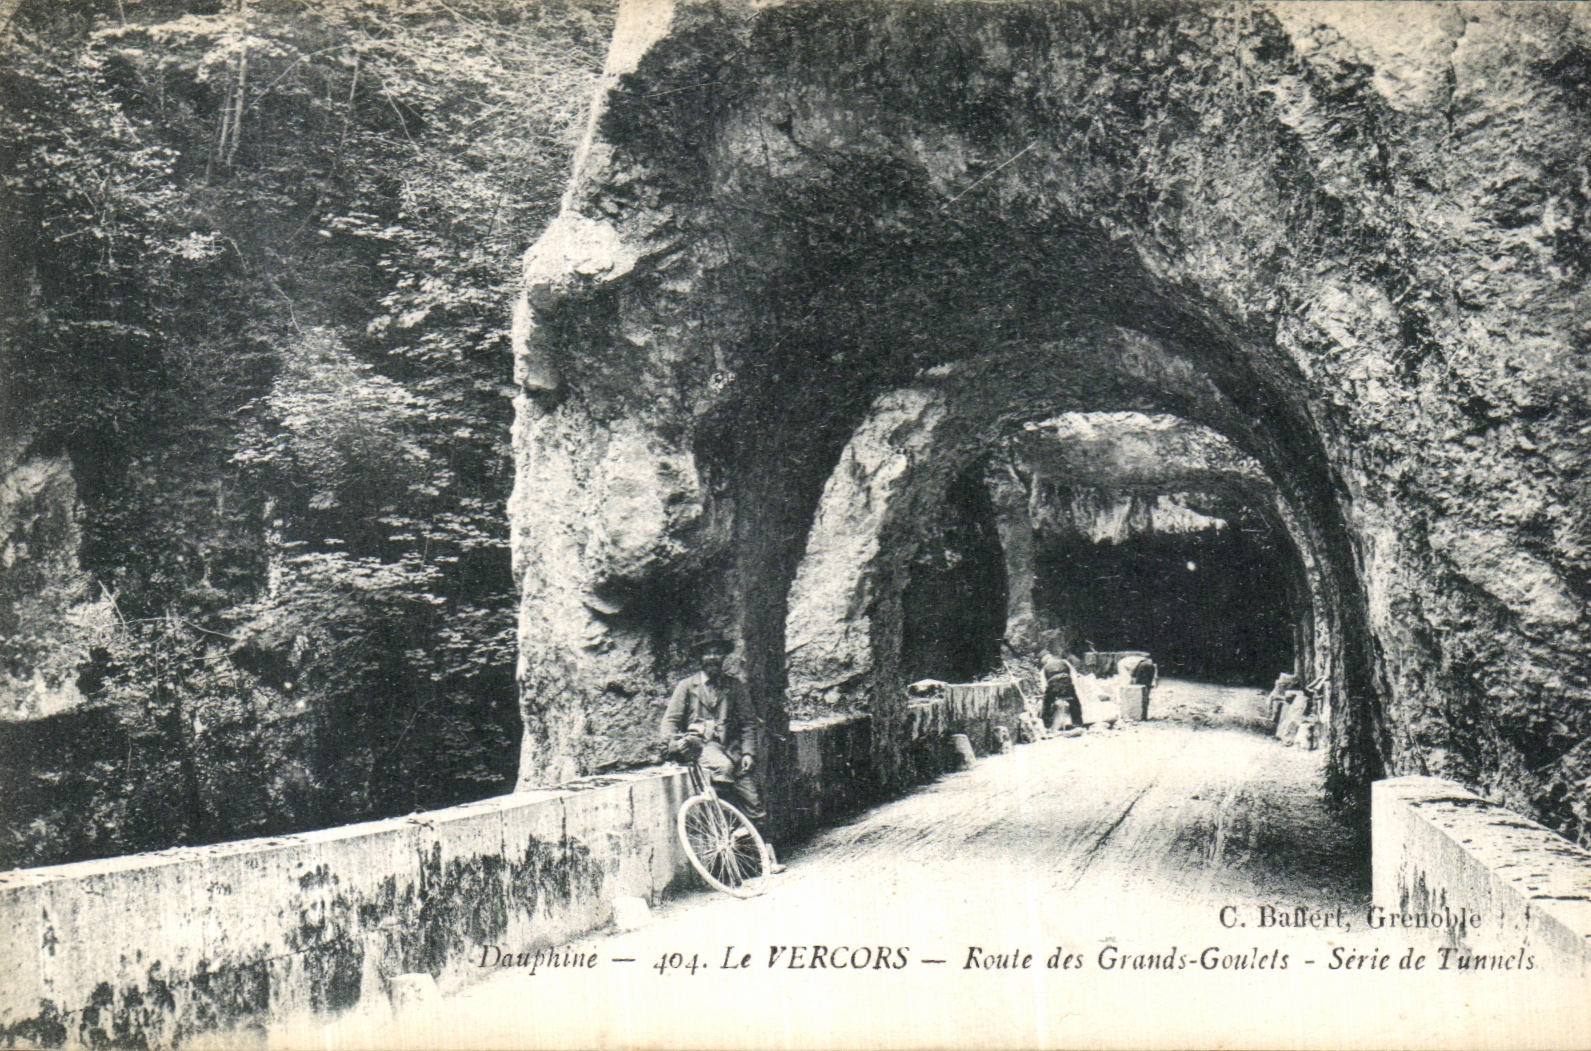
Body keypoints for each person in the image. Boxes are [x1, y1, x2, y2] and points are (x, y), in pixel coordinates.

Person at [659, 634, 784, 873]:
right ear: (700, 658)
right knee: (723, 771)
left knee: (755, 802)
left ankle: (767, 860)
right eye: (708, 653)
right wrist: (671, 744)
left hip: (734, 750)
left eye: (717, 653)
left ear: (724, 657)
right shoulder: (687, 687)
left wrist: (749, 753)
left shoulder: (734, 686)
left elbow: (748, 723)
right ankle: (733, 857)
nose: (713, 657)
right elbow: (671, 721)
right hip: (703, 747)